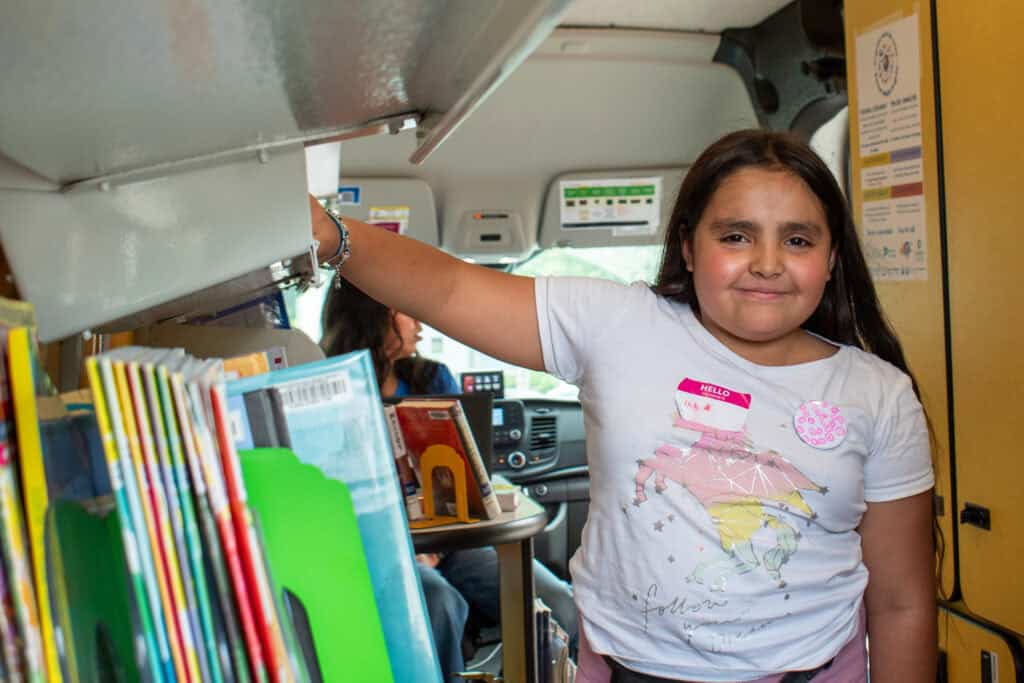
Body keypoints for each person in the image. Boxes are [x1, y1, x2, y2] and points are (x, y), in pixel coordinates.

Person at [309, 129, 936, 682]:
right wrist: (328, 233)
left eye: (797, 240)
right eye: (736, 235)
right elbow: (445, 288)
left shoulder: (876, 394)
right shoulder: (617, 323)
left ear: (830, 259)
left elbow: (902, 602)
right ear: (689, 247)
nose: (767, 264)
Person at [319, 277, 577, 682]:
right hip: (379, 548)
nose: (418, 322)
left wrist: (441, 540)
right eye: (404, 311)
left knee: (559, 603)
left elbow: (471, 477)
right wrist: (408, 547)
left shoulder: (432, 380)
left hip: (453, 541)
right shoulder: (330, 391)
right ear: (376, 317)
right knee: (439, 604)